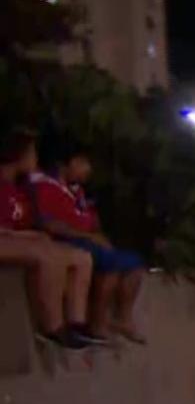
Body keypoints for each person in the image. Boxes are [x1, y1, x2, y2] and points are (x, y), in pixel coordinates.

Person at [32, 146, 146, 343]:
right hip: (67, 241)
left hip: (87, 239)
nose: (88, 169)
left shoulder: (78, 192)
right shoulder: (46, 186)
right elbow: (50, 224)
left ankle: (124, 319)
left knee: (135, 262)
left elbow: (91, 221)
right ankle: (96, 324)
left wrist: (98, 234)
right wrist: (88, 237)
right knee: (110, 262)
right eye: (83, 163)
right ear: (67, 164)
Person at [0, 129, 95, 348]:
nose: (35, 158)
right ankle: (52, 327)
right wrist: (30, 237)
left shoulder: (20, 188)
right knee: (48, 256)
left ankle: (76, 323)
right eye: (31, 152)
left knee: (80, 257)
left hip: (17, 239)